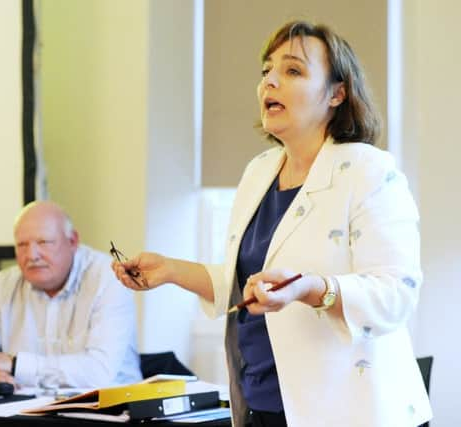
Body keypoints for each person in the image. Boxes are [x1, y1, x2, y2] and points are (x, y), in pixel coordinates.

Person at [112, 20, 432, 427]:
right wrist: (171, 271)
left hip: (349, 410)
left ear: (337, 93)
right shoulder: (259, 172)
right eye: (266, 71)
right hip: (262, 404)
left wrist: (313, 288)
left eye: (292, 70)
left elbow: (396, 293)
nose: (270, 82)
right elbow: (245, 286)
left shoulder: (369, 171)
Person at [0, 200, 142, 388]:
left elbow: (99, 372)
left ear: (72, 241)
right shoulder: (5, 284)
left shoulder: (108, 278)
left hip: (110, 412)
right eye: (22, 245)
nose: (32, 255)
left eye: (44, 242)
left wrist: (14, 365)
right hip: (29, 411)